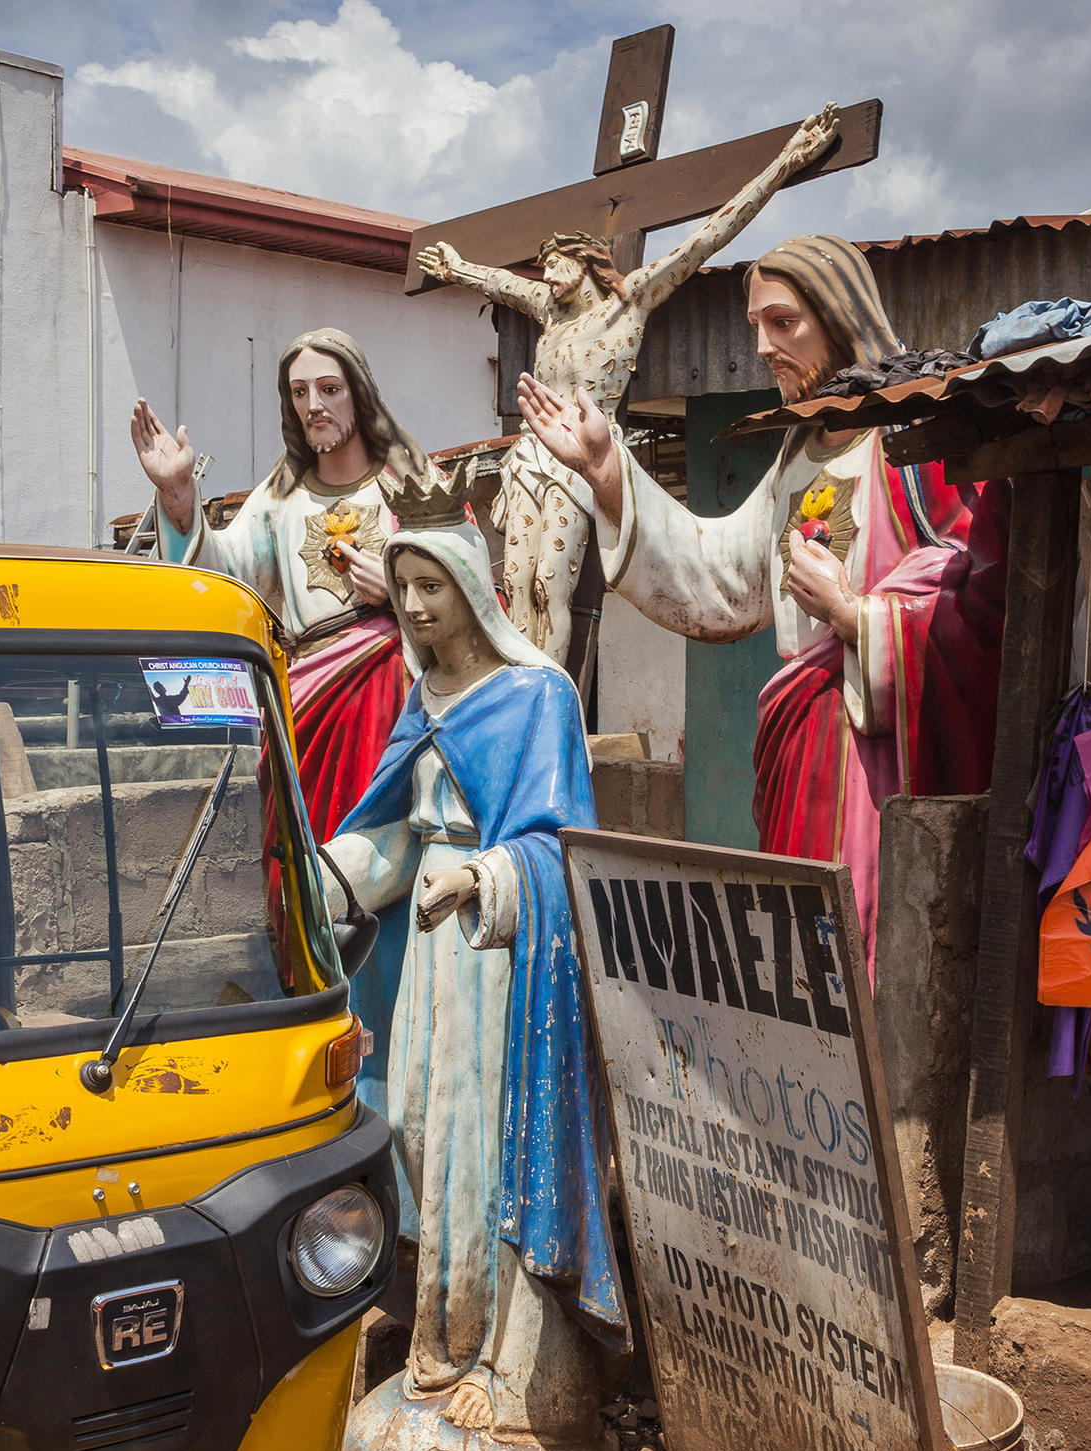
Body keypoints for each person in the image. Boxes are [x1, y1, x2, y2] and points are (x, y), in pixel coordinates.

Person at [517, 235, 1006, 954]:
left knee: (868, 962)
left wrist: (856, 617)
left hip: (881, 771)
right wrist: (606, 470)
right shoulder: (797, 454)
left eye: (784, 323)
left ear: (839, 317)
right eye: (756, 327)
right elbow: (718, 578)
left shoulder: (914, 442)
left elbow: (986, 599)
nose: (765, 346)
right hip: (799, 759)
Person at [322, 508, 622, 1451]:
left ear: (469, 589)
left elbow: (558, 848)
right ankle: (437, 1353)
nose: (411, 607)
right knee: (417, 1133)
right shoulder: (424, 704)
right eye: (401, 588)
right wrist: (321, 874)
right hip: (428, 966)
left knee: (480, 1147)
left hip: (503, 970)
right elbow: (393, 837)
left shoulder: (538, 696)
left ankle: (500, 1365)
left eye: (430, 587)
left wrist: (484, 878)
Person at [416, 103, 839, 664]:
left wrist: (783, 163)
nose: (546, 274)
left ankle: (552, 695)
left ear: (586, 260)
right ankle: (514, 691)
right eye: (542, 266)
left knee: (550, 583)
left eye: (557, 262)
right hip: (530, 455)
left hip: (586, 453)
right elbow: (498, 282)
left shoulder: (629, 302)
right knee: (516, 585)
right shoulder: (549, 310)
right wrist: (455, 268)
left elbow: (707, 239)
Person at [129, 328, 433, 838]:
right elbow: (225, 573)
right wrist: (180, 494)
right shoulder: (278, 499)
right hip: (309, 707)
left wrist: (400, 590)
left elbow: (467, 587)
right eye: (299, 392)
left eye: (329, 388)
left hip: (395, 705)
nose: (313, 404)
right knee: (306, 860)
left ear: (358, 392)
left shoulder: (410, 486)